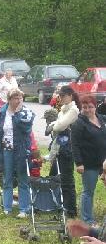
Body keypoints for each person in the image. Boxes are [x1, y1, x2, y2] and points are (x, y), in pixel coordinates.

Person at [0, 88, 34, 218]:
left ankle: (23, 209)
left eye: (20, 98)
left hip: (21, 150)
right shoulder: (2, 113)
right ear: (9, 100)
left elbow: (26, 128)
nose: (18, 100)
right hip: (5, 150)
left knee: (22, 179)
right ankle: (7, 207)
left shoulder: (26, 112)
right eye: (15, 98)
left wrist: (17, 113)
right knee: (6, 179)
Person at [44, 86, 80, 218]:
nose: (61, 98)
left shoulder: (74, 110)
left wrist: (52, 126)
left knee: (66, 180)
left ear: (70, 95)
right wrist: (54, 125)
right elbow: (57, 125)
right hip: (59, 147)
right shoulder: (63, 110)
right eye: (60, 96)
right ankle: (54, 204)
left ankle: (70, 210)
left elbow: (60, 125)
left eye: (64, 95)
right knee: (53, 177)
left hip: (68, 149)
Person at [71, 95, 106, 226]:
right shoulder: (78, 124)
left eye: (90, 107)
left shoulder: (101, 119)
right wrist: (79, 163)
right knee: (88, 191)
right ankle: (87, 220)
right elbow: (75, 145)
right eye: (84, 107)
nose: (87, 110)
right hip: (89, 163)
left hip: (104, 162)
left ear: (95, 107)